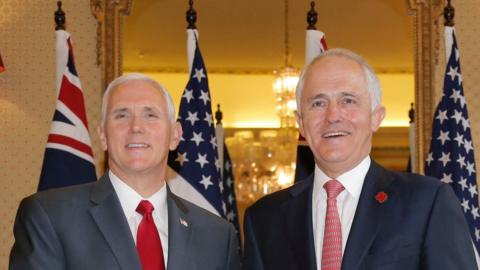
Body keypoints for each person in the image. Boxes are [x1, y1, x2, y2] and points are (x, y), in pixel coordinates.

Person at [243, 49, 477, 270]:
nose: (333, 116)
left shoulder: (427, 202)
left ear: (376, 117)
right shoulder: (264, 219)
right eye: (318, 103)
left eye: (348, 101)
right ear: (301, 123)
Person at [10, 73, 241, 270]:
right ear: (103, 135)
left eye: (150, 114)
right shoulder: (49, 216)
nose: (136, 127)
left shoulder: (218, 236)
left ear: (175, 135)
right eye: (121, 115)